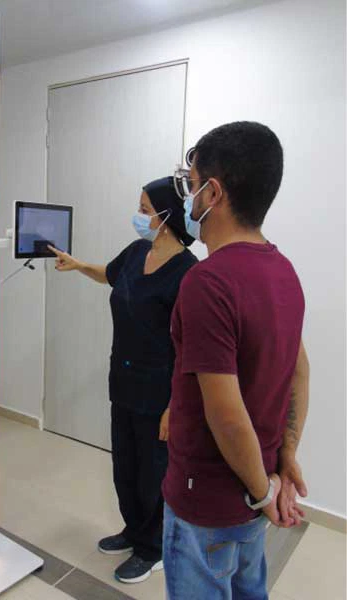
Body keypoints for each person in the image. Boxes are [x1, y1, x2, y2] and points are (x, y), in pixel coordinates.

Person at [162, 121, 310, 599]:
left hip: (208, 503)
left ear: (213, 193)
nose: (188, 199)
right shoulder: (284, 271)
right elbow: (299, 371)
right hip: (256, 486)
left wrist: (264, 494)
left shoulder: (207, 282)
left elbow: (225, 415)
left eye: (191, 185)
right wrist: (284, 458)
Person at [49, 177, 198, 584]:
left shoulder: (188, 273)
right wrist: (79, 265)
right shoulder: (136, 253)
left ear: (165, 217)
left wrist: (175, 405)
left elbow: (191, 349)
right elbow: (111, 275)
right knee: (125, 467)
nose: (138, 216)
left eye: (145, 209)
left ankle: (153, 548)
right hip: (124, 383)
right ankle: (134, 530)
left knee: (154, 474)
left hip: (160, 393)